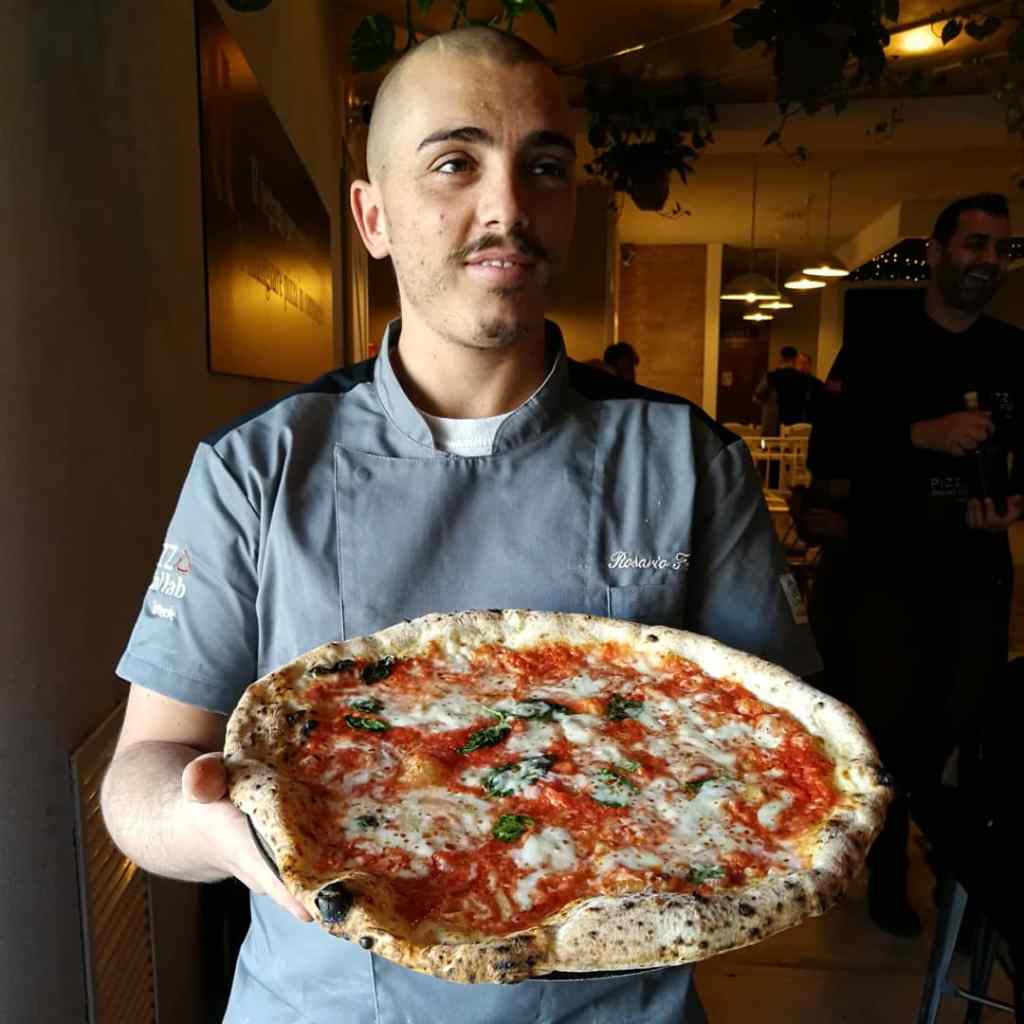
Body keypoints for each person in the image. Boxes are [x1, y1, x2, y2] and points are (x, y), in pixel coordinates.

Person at [101, 27, 821, 1024]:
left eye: (544, 168)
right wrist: (218, 830)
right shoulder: (257, 467)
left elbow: (780, 746)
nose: (508, 208)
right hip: (326, 1005)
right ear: (373, 216)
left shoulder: (690, 461)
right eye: (455, 163)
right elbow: (139, 777)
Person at [806, 192, 1022, 937]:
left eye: (1000, 249)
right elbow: (827, 454)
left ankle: (960, 872)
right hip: (887, 572)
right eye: (974, 244)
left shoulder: (1013, 352)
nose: (987, 261)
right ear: (935, 252)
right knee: (886, 729)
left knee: (966, 727)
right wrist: (918, 436)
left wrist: (1011, 502)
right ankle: (887, 869)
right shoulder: (877, 345)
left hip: (977, 572)